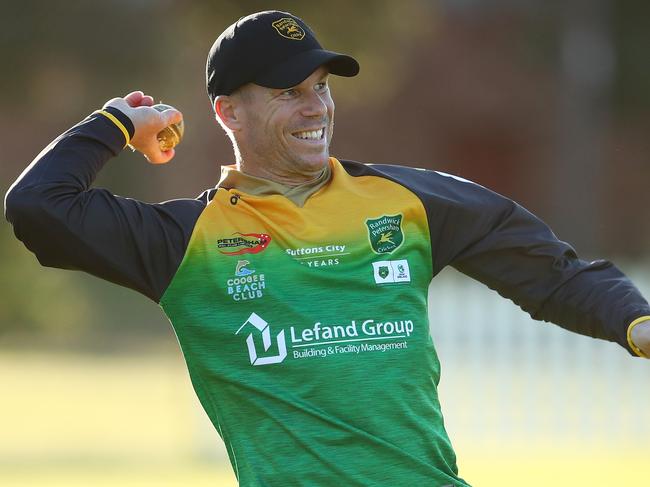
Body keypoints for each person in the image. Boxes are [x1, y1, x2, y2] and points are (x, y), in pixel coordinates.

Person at [5, 10, 649, 487]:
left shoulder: (411, 202)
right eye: (289, 92)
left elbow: (554, 275)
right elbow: (39, 207)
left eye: (321, 87)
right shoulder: (182, 241)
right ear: (228, 112)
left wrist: (633, 320)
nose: (316, 107)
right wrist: (117, 121)